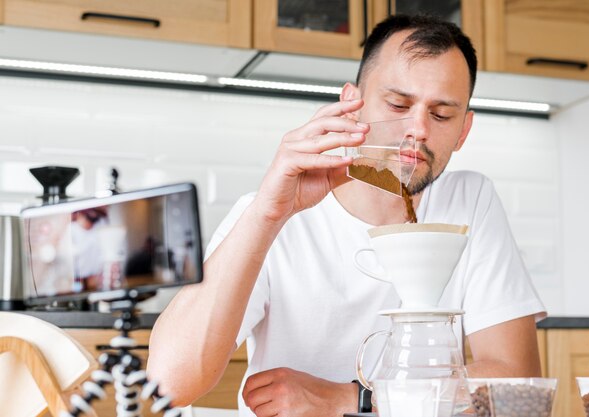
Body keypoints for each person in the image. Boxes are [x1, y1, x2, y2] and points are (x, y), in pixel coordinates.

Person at [148, 13, 546, 417]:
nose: (418, 129)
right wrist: (268, 213)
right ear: (351, 104)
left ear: (463, 130)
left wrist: (356, 400)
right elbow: (167, 385)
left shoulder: (469, 201)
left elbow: (516, 387)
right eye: (397, 104)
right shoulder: (269, 212)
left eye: (441, 114)